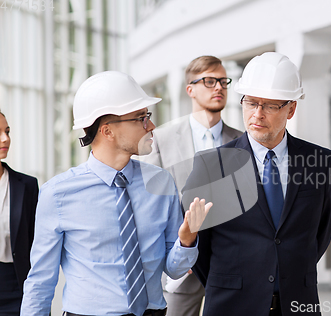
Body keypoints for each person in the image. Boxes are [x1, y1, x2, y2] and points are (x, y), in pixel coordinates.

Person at [20, 71, 211, 316]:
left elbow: (174, 270)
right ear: (107, 131)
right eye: (141, 118)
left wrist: (187, 240)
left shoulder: (162, 182)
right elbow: (40, 282)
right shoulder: (57, 194)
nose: (151, 126)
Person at [182, 52, 331, 316]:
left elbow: (321, 232)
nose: (257, 114)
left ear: (291, 108)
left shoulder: (319, 160)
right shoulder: (211, 166)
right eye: (251, 102)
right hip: (232, 306)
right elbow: (198, 242)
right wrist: (235, 284)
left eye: (270, 105)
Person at [142, 55, 242, 316]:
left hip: (230, 263)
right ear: (190, 89)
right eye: (209, 81)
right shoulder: (162, 139)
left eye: (223, 81)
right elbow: (154, 203)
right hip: (181, 260)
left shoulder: (242, 142)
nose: (219, 87)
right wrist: (179, 250)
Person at [0, 112, 38, 315]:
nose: (5, 138)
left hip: (18, 287)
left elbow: (37, 243)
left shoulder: (28, 186)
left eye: (7, 131)